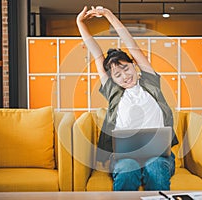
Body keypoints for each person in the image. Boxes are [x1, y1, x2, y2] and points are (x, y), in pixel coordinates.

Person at [76, 6, 178, 191]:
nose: (124, 76)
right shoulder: (114, 92)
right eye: (117, 74)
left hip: (158, 156)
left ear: (134, 65)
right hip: (125, 157)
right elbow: (97, 55)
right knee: (127, 169)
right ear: (112, 78)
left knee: (155, 167)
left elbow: (133, 47)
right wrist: (80, 23)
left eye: (126, 68)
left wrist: (108, 15)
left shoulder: (150, 83)